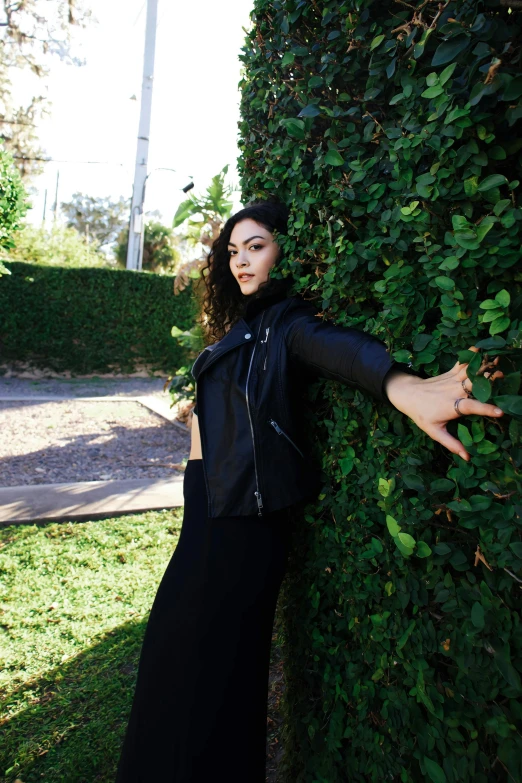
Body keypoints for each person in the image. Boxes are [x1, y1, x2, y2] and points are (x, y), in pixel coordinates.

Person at [115, 201, 504, 782]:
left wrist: (403, 386)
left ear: (283, 250)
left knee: (196, 669)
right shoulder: (246, 326)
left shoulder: (283, 323)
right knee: (187, 667)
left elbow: (337, 349)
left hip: (240, 525)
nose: (241, 261)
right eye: (233, 251)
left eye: (257, 246)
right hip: (208, 514)